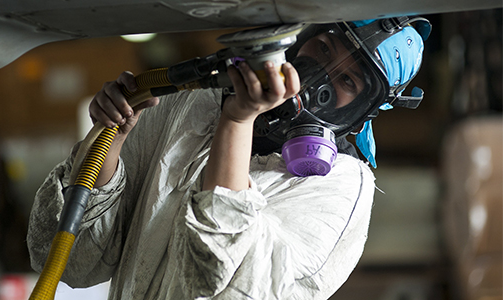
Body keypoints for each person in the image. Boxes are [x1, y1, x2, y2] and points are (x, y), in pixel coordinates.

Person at [28, 16, 431, 299]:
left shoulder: (341, 187)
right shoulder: (193, 106)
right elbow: (76, 261)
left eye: (347, 80)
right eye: (322, 47)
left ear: (365, 110)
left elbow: (216, 278)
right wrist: (112, 133)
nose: (318, 75)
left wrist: (238, 119)